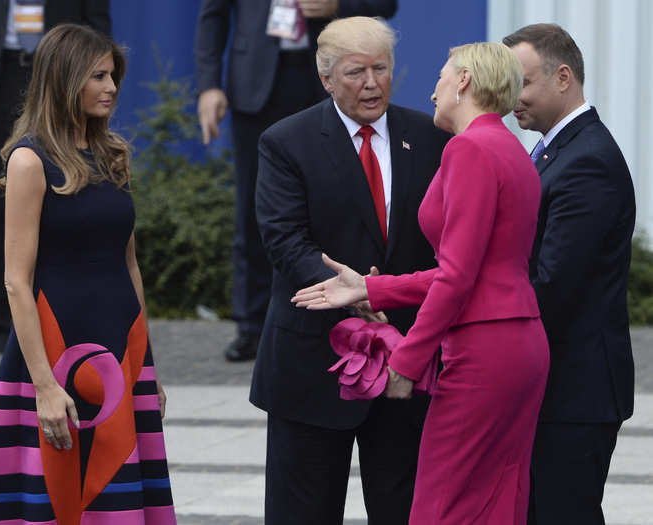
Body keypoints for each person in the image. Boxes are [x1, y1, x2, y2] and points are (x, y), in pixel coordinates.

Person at [294, 41, 550, 524]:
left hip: (483, 350)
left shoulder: (469, 149)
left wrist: (407, 360)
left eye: (440, 77)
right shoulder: (508, 147)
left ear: (465, 82)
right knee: (496, 500)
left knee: (443, 507)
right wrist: (370, 289)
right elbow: (469, 268)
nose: (432, 92)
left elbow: (457, 276)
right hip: (516, 341)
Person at [0, 24, 176, 525]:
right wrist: (44, 386)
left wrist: (148, 366)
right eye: (98, 76)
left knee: (116, 492)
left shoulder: (114, 152)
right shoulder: (29, 160)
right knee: (60, 493)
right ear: (64, 80)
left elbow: (129, 263)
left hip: (121, 346)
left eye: (113, 75)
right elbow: (15, 279)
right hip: (57, 350)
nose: (112, 87)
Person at [251, 16, 449, 525]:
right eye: (356, 72)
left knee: (406, 509)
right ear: (326, 79)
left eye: (381, 69)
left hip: (408, 359)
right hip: (313, 359)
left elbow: (448, 237)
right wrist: (356, 292)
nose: (371, 84)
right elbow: (284, 239)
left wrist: (387, 293)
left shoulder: (430, 136)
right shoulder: (286, 141)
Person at [194, 0, 397, 361]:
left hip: (328, 78)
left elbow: (384, 4)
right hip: (256, 82)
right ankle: (252, 325)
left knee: (341, 202)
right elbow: (214, 15)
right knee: (253, 210)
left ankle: (345, 306)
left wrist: (338, 4)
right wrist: (209, 84)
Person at [502, 23, 636, 525]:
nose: (512, 98)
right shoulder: (559, 150)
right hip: (559, 386)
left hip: (575, 393)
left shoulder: (587, 161)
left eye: (523, 83)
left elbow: (552, 283)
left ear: (563, 77)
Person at [0, 0, 112, 379]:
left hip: (60, 81)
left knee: (67, 216)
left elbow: (97, 26)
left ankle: (63, 339)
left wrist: (96, 85)